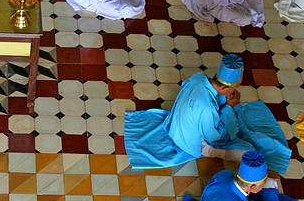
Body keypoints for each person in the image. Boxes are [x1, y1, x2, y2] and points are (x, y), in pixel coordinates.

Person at [124, 54, 291, 173]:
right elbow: (215, 137)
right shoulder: (206, 109)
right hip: (187, 143)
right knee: (249, 151)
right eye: (233, 89)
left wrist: (226, 106)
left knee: (227, 111)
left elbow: (209, 97)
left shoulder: (199, 77)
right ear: (226, 88)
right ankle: (214, 154)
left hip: (174, 125)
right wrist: (230, 108)